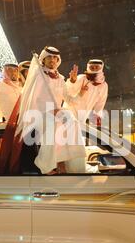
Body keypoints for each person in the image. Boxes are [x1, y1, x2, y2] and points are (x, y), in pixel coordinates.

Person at [17, 46, 86, 175]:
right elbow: (34, 98)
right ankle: (45, 165)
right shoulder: (38, 74)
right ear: (43, 58)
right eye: (49, 57)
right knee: (53, 125)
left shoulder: (60, 78)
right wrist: (49, 110)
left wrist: (81, 93)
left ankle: (70, 163)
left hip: (57, 113)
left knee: (73, 122)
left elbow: (70, 100)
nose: (52, 60)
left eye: (55, 57)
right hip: (39, 114)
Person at [65, 59, 108, 125]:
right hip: (69, 113)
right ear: (88, 67)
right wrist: (72, 81)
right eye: (92, 67)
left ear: (101, 68)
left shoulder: (103, 85)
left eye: (97, 67)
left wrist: (97, 116)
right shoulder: (82, 78)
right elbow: (69, 91)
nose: (94, 69)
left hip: (82, 117)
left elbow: (101, 102)